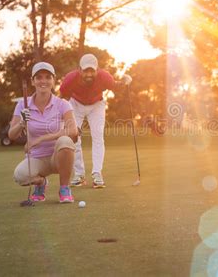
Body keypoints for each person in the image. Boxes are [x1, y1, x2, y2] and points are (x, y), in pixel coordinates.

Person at [8, 62, 79, 203]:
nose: (43, 81)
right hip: (37, 158)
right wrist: (22, 123)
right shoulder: (22, 104)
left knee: (65, 141)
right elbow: (12, 135)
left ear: (53, 80)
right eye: (39, 77)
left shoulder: (62, 104)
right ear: (33, 81)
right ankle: (41, 183)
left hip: (57, 157)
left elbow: (73, 130)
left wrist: (41, 139)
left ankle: (64, 188)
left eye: (48, 77)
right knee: (20, 176)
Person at [60, 53, 132, 188]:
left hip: (96, 105)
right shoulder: (70, 79)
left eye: (92, 71)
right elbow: (63, 95)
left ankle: (97, 173)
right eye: (85, 70)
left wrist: (125, 82)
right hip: (76, 104)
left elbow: (115, 86)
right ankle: (79, 174)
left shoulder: (104, 77)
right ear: (79, 70)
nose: (89, 74)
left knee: (98, 137)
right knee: (74, 137)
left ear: (97, 70)